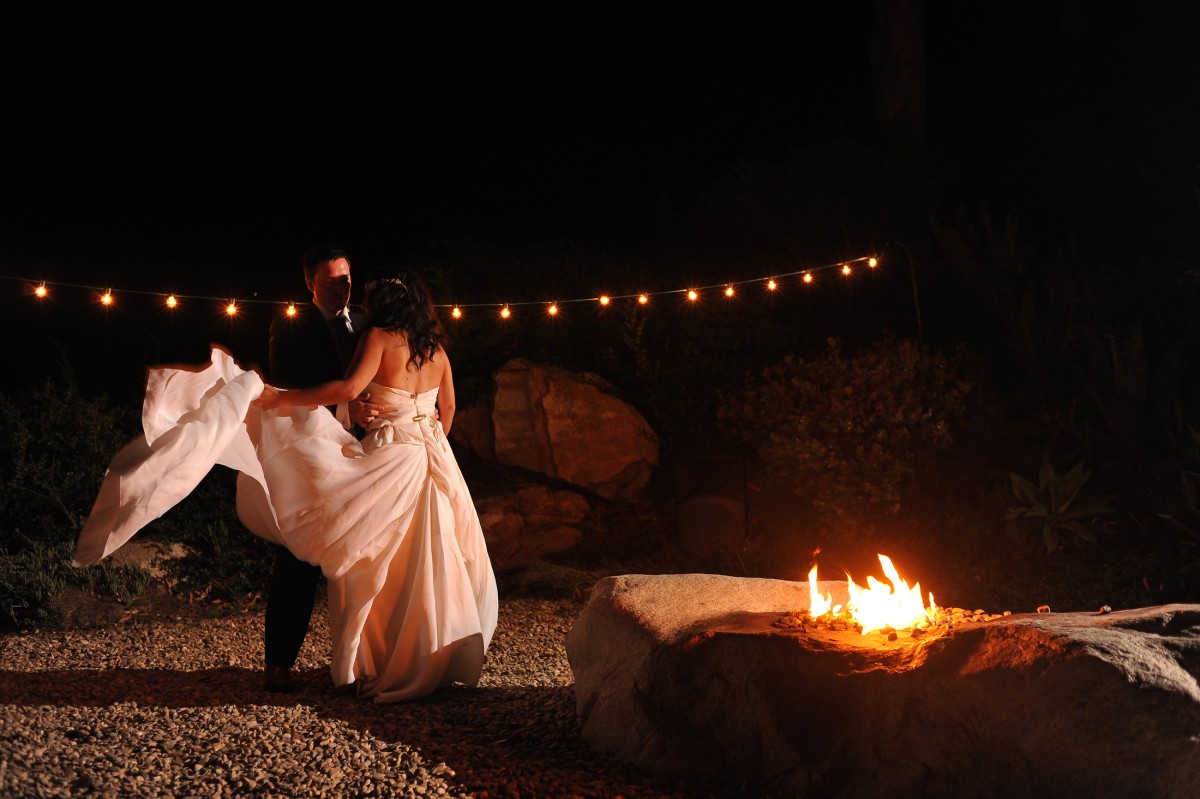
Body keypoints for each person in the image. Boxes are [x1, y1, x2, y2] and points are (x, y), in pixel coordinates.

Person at [73, 267, 498, 702]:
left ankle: (382, 662)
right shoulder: (436, 351)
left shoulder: (378, 337)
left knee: (373, 561)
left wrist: (281, 399)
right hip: (430, 457)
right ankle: (431, 655)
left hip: (391, 456)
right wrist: (427, 440)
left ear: (383, 307)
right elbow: (448, 409)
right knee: (433, 555)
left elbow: (348, 386)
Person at [262, 243, 379, 693]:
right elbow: (287, 394)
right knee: (300, 553)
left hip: (369, 453)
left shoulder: (366, 324)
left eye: (346, 278)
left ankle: (362, 662)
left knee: (368, 552)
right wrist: (347, 409)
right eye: (331, 281)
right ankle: (279, 663)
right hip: (316, 456)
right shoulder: (290, 327)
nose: (342, 287)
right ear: (310, 283)